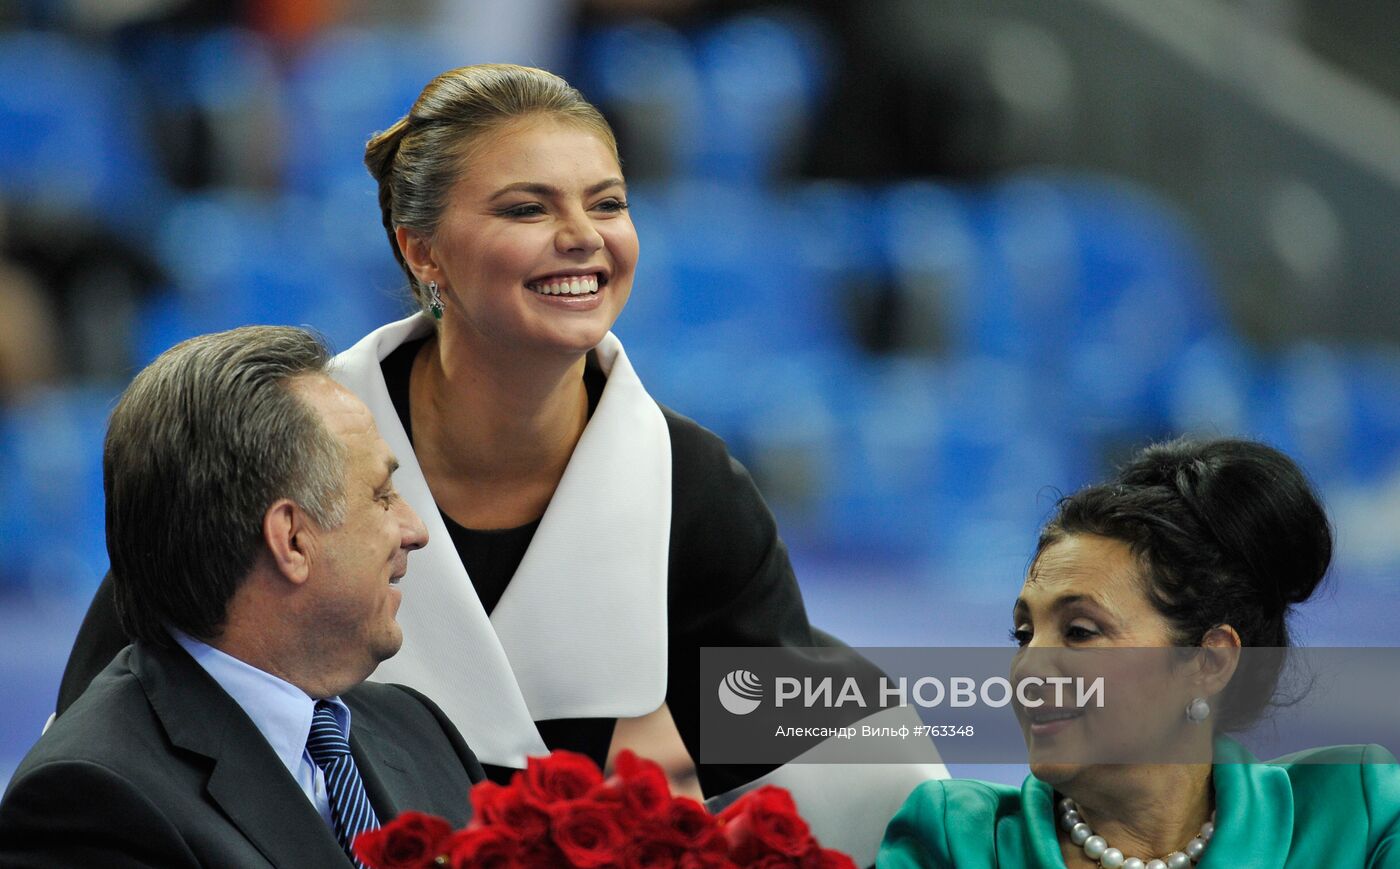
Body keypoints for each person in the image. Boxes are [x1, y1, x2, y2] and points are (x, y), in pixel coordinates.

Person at [54, 64, 938, 862]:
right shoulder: (266, 436)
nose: (583, 237)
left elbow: (803, 721)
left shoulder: (689, 482)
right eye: (527, 208)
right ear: (420, 249)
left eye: (607, 203)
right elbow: (111, 702)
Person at [0, 326, 484, 868]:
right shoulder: (89, 802)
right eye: (381, 496)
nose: (415, 529)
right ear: (292, 539)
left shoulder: (418, 730)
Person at [879, 437, 1400, 868]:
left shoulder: (1359, 815)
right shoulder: (958, 840)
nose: (1029, 669)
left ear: (1209, 662)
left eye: (1080, 632)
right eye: (1023, 635)